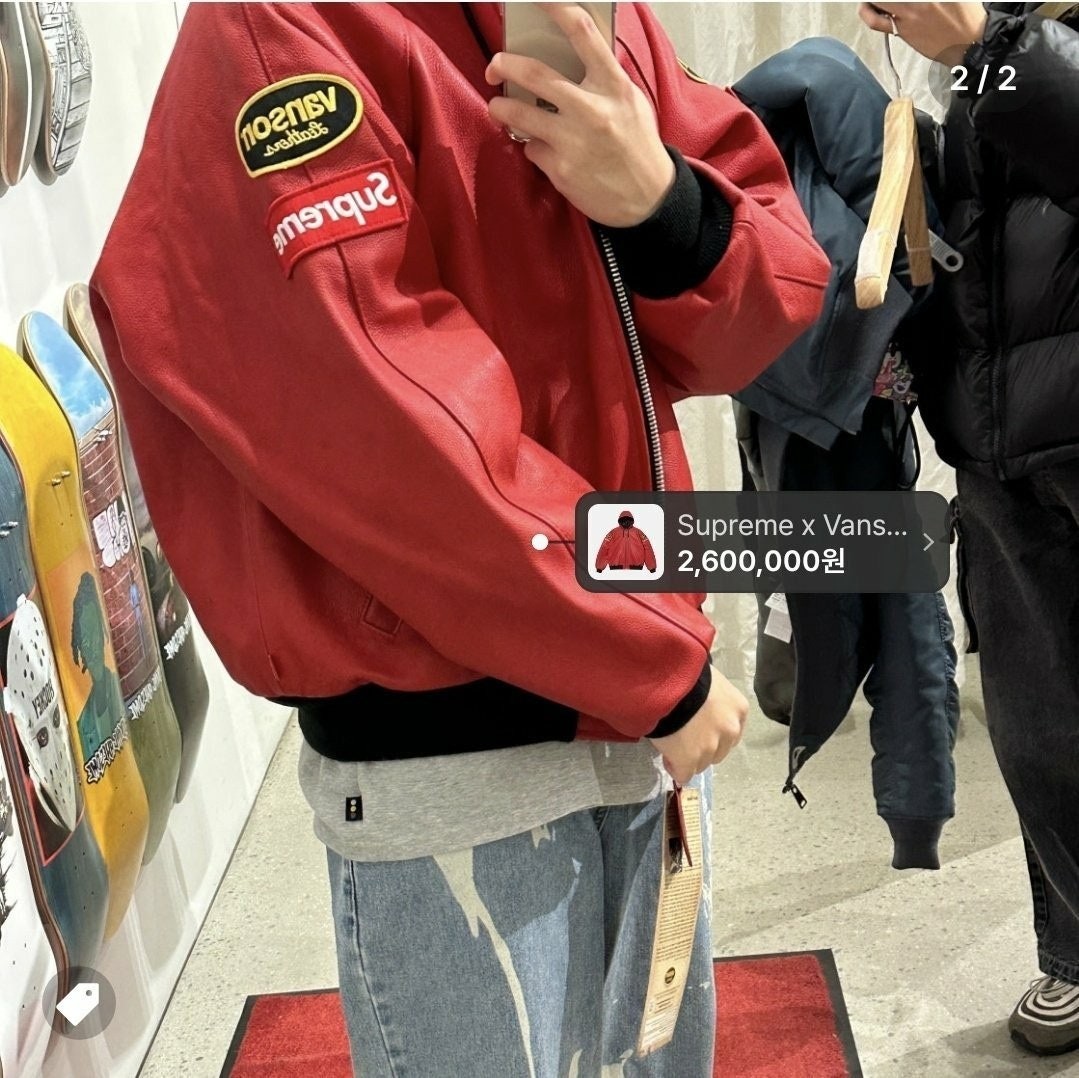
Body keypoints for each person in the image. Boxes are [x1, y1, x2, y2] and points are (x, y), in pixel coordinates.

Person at [91, 3, 828, 1074]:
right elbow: (382, 426)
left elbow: (768, 295)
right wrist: (651, 659)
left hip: (639, 703)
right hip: (463, 753)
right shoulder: (278, 27)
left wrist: (662, 207)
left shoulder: (580, 13)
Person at [859, 0, 1079, 1056]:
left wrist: (981, 49)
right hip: (993, 443)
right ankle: (1074, 949)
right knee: (1040, 725)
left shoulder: (994, 47)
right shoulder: (971, 48)